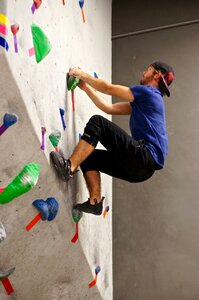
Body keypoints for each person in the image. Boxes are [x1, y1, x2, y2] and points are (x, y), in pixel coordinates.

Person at [50, 62, 174, 216]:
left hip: (144, 156)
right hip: (143, 172)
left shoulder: (149, 93)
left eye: (147, 69)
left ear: (156, 75)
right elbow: (108, 108)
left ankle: (68, 167)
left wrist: (82, 74)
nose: (143, 72)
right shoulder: (144, 103)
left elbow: (108, 88)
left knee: (98, 123)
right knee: (89, 157)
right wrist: (86, 87)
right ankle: (94, 203)